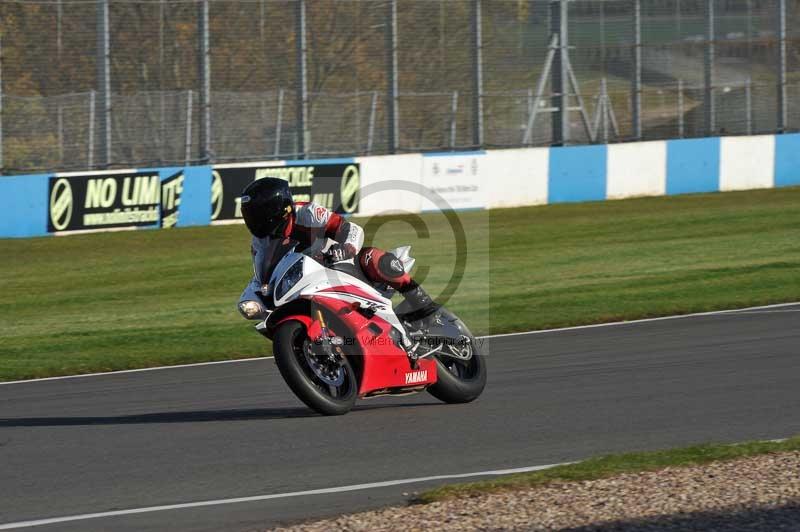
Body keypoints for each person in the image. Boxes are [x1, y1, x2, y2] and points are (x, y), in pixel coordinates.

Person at [237, 177, 438, 322]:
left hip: (340, 265)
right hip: (305, 284)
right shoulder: (260, 242)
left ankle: (425, 307)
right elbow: (262, 275)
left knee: (374, 259)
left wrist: (346, 248)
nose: (253, 221)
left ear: (278, 210)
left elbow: (348, 228)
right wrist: (251, 299)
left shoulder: (307, 213)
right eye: (250, 215)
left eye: (257, 215)